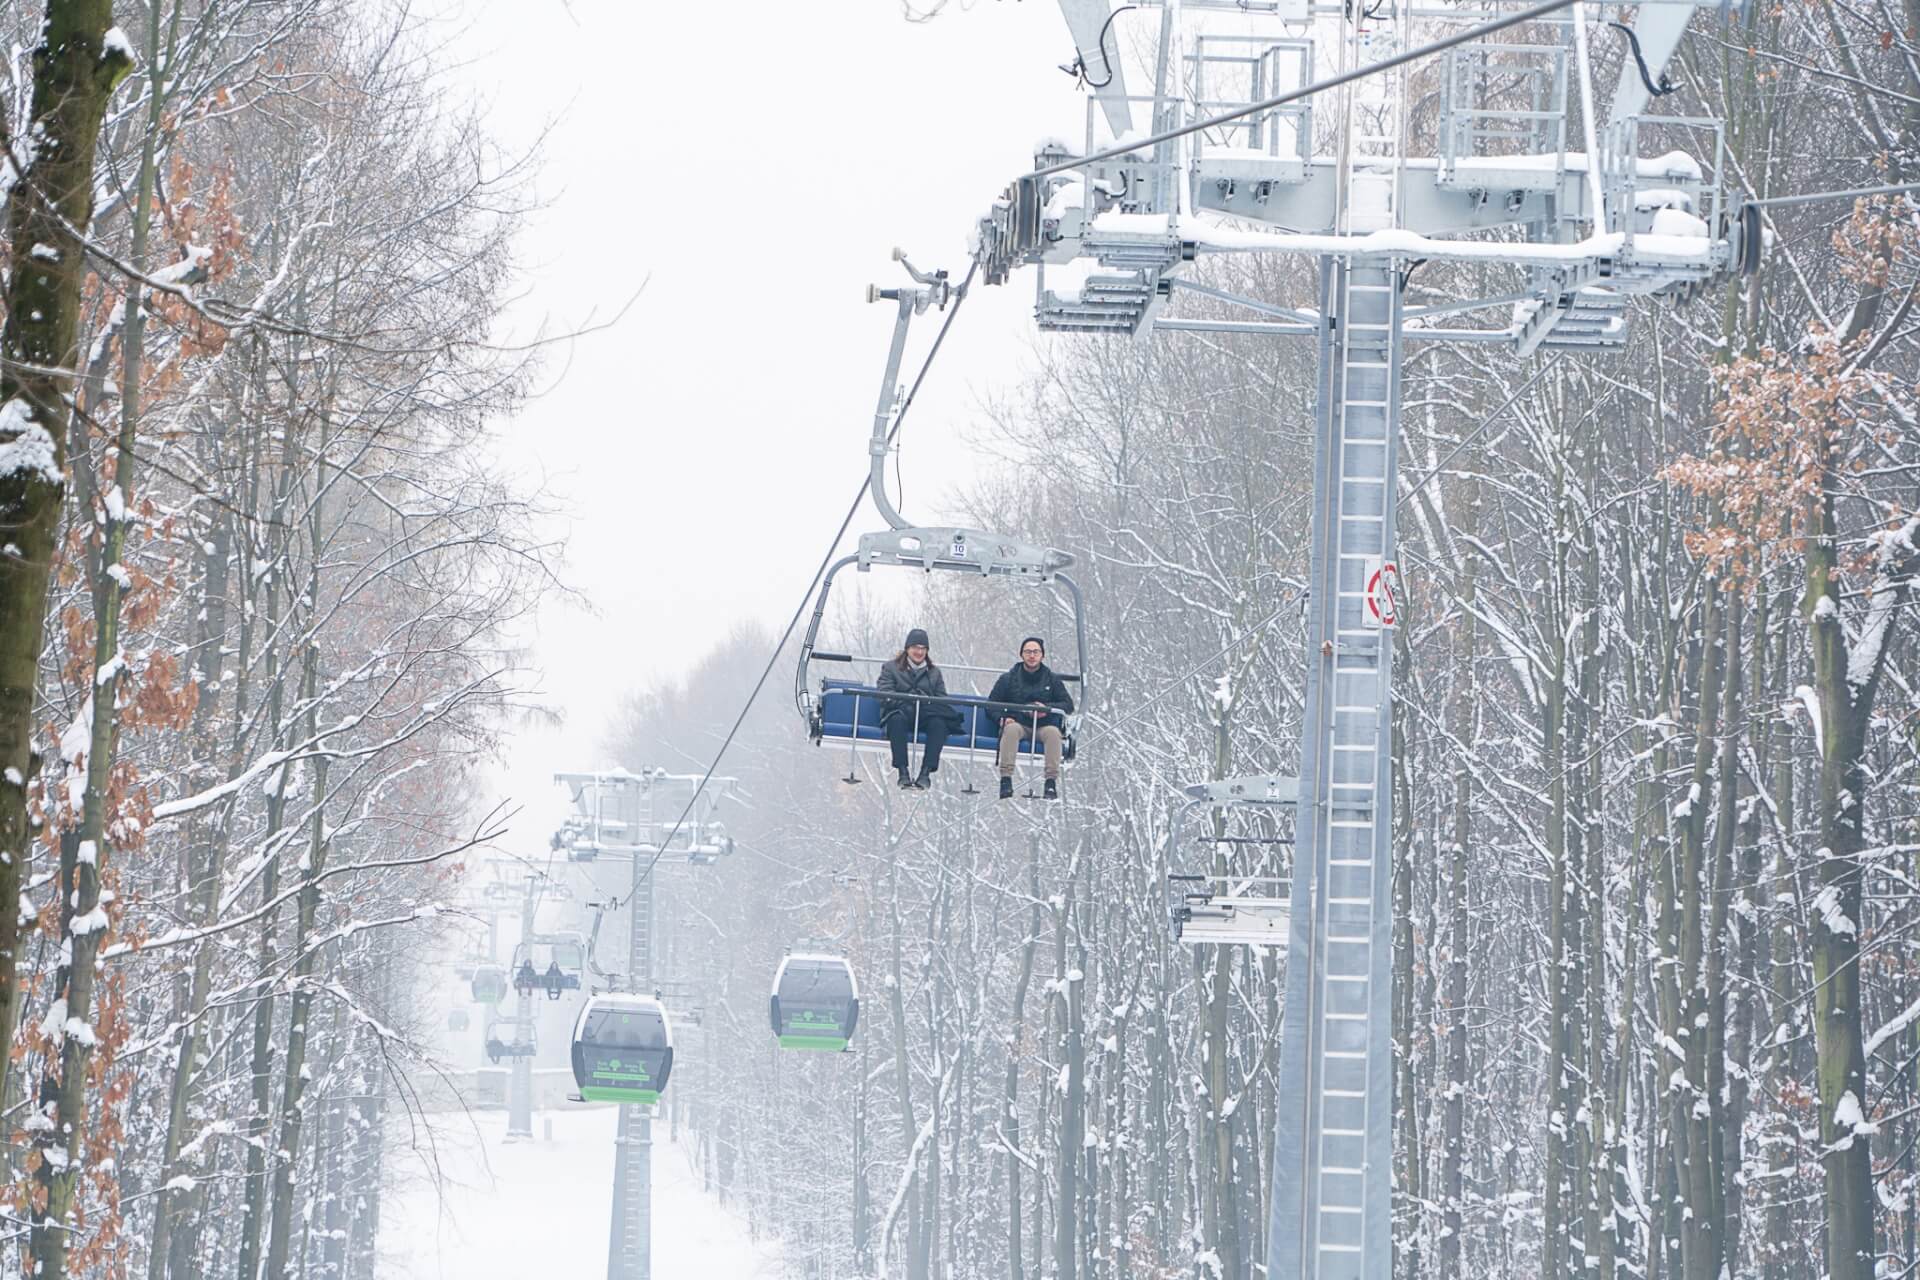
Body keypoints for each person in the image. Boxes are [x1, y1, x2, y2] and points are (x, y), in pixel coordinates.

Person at [987, 636, 1074, 800]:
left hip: (1043, 725)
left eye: (1036, 652)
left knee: (1054, 734)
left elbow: (1068, 704)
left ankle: (1050, 782)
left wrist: (1046, 708)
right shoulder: (1008, 678)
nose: (1032, 656)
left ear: (1042, 655)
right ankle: (1006, 779)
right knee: (1011, 730)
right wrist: (1002, 719)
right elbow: (991, 704)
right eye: (1028, 652)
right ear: (1021, 655)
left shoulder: (1051, 679)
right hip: (1018, 723)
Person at [875, 628, 959, 789]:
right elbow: (884, 693)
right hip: (900, 711)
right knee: (897, 721)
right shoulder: (891, 668)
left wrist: (926, 703)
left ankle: (925, 772)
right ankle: (903, 771)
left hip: (925, 714)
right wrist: (906, 702)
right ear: (907, 648)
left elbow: (942, 699)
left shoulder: (934, 673)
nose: (919, 652)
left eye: (923, 648)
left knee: (939, 725)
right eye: (915, 647)